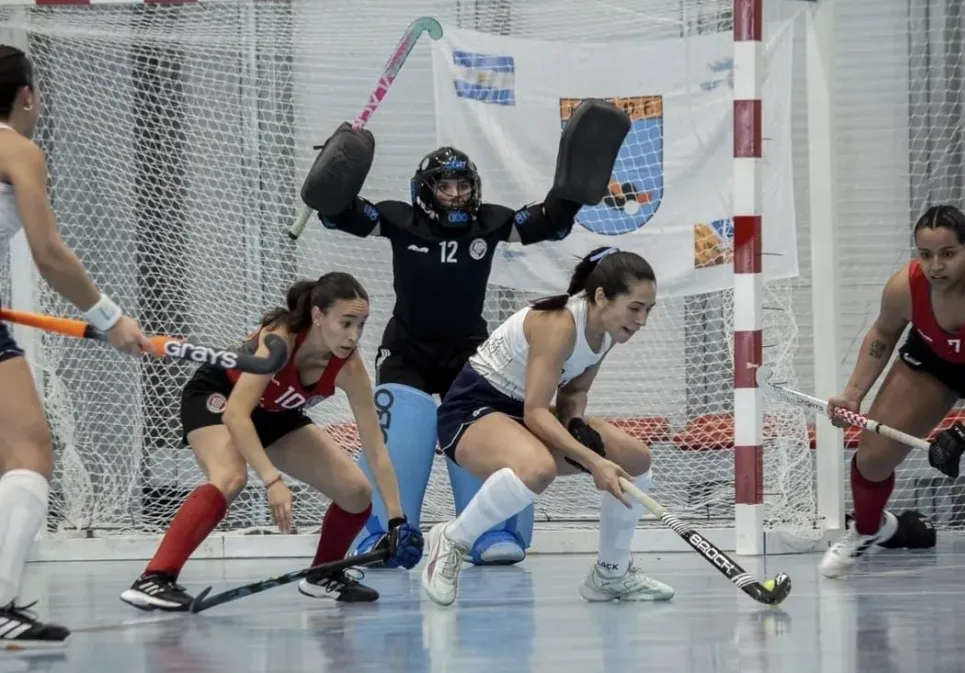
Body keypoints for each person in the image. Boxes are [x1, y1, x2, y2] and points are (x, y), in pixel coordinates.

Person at [303, 103, 630, 568]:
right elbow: (341, 215)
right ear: (426, 192)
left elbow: (549, 223)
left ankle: (491, 530)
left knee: (483, 434)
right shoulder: (399, 219)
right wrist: (332, 180)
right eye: (445, 186)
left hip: (469, 355)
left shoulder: (490, 222)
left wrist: (572, 192)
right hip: (407, 351)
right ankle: (383, 531)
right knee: (403, 436)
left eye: (462, 186)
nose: (455, 195)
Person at [120, 272, 423, 611]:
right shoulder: (281, 340)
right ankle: (155, 578)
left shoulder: (349, 368)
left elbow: (375, 447)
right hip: (221, 399)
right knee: (231, 477)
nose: (354, 336)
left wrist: (397, 520)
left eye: (361, 325)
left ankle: (323, 575)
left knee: (356, 492)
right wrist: (272, 480)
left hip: (277, 415)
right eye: (346, 322)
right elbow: (237, 414)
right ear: (318, 316)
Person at [420, 246, 675, 606]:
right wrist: (592, 460)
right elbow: (536, 412)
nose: (642, 320)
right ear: (601, 296)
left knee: (636, 459)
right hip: (471, 411)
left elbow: (575, 392)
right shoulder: (558, 324)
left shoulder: (606, 331)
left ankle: (611, 573)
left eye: (648, 310)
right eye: (635, 308)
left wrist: (575, 423)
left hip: (522, 414)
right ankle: (452, 539)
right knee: (537, 469)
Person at [0, 45, 150, 648]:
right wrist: (111, 317)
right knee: (32, 450)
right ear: (28, 96)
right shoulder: (18, 147)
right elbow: (49, 254)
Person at [821, 204, 965, 578]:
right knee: (873, 457)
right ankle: (869, 529)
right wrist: (853, 394)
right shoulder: (905, 286)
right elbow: (883, 333)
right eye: (926, 255)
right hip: (933, 364)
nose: (935, 266)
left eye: (948, 254)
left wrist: (964, 432)